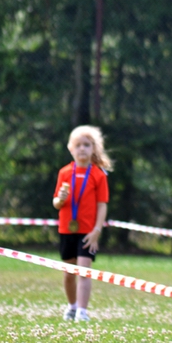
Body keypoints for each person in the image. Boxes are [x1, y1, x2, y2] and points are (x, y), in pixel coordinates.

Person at [52, 125, 112, 322]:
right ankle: (72, 307)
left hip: (88, 232)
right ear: (71, 148)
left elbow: (102, 205)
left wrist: (97, 231)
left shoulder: (98, 175)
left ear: (93, 148)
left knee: (84, 272)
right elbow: (56, 203)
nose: (82, 149)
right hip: (66, 230)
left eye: (86, 145)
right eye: (78, 145)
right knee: (69, 273)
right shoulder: (64, 173)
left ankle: (82, 312)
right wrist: (60, 199)